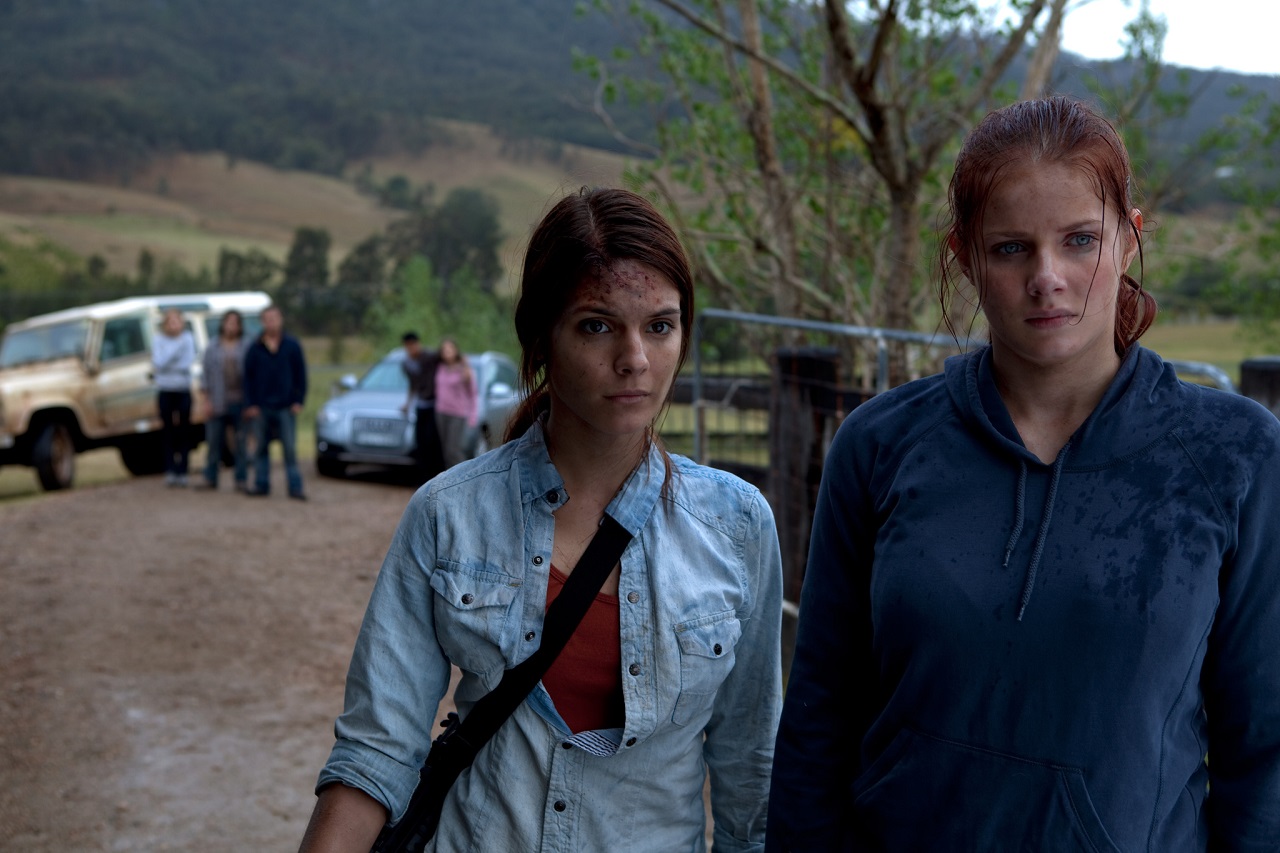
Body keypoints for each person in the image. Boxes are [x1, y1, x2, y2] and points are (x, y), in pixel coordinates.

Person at [766, 95, 1280, 851]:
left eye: (1080, 240)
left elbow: (1264, 752)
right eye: (1011, 248)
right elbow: (819, 721)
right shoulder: (880, 445)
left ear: (1130, 240)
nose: (1048, 276)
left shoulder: (1235, 456)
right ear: (966, 256)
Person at [299, 187, 784, 852]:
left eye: (660, 326)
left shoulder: (737, 526)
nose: (635, 359)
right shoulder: (450, 513)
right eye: (597, 324)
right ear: (541, 336)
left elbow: (751, 777)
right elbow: (375, 752)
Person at [243, 304, 308, 500]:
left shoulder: (292, 345)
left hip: (286, 406)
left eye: (274, 318)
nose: (271, 322)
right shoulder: (254, 348)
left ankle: (295, 487)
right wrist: (250, 404)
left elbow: (301, 375)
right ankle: (261, 484)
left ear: (281, 319)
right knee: (261, 448)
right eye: (267, 318)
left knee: (289, 449)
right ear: (262, 322)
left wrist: (299, 400)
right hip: (262, 407)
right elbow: (248, 379)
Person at [195, 309, 251, 492]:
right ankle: (210, 477)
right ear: (223, 324)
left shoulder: (246, 346)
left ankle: (241, 479)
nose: (232, 326)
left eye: (235, 323)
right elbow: (205, 376)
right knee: (214, 442)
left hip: (240, 401)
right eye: (229, 322)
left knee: (240, 443)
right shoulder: (212, 347)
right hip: (217, 401)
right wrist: (207, 401)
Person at [151, 307, 196, 487]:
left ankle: (183, 470)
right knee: (167, 431)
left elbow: (187, 363)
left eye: (176, 321)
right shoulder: (159, 339)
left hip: (183, 389)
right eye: (170, 322)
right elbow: (158, 363)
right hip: (165, 389)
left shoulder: (188, 338)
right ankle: (170, 470)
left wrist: (168, 360)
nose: (174, 325)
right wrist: (177, 349)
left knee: (184, 431)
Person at [400, 331, 445, 478]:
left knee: (433, 441)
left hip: (435, 404)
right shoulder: (406, 363)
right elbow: (413, 384)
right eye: (408, 346)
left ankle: (436, 474)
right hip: (421, 404)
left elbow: (448, 360)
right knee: (420, 442)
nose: (411, 348)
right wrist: (408, 403)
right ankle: (422, 476)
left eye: (413, 345)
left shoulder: (430, 357)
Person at [433, 337, 478, 468]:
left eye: (450, 349)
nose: (447, 352)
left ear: (456, 351)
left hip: (457, 414)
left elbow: (473, 394)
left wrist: (473, 416)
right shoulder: (440, 367)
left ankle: (463, 477)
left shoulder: (464, 369)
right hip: (441, 412)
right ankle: (449, 481)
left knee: (454, 450)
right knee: (445, 451)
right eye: (444, 350)